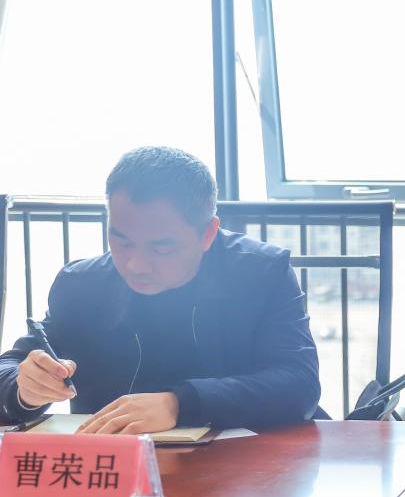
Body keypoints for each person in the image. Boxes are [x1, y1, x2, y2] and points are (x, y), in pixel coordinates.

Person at [0, 146, 321, 432]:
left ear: (208, 233)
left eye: (161, 247)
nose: (136, 264)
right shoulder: (83, 285)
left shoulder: (259, 272)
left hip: (242, 466)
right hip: (116, 469)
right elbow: (9, 368)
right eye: (122, 241)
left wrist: (180, 404)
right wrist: (24, 388)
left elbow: (299, 384)